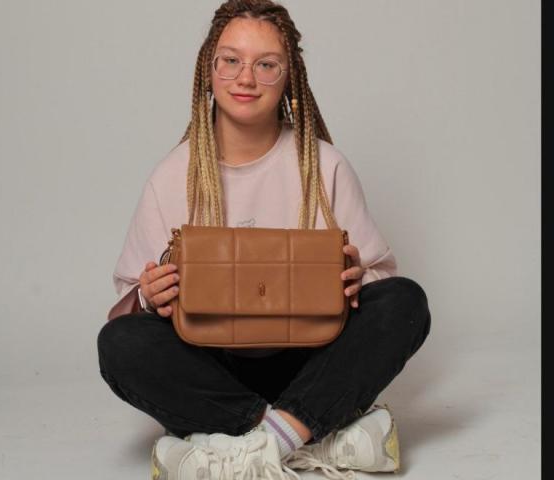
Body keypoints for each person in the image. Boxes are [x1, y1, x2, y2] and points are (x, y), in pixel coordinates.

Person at [97, 1, 431, 478]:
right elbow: (129, 303)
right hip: (214, 367)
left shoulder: (325, 164)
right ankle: (308, 435)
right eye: (230, 60)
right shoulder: (173, 174)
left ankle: (243, 447)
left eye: (266, 64)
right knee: (120, 344)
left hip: (309, 359)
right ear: (208, 69)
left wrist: (359, 279)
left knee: (405, 301)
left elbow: (381, 280)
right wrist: (151, 296)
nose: (246, 78)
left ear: (289, 76)